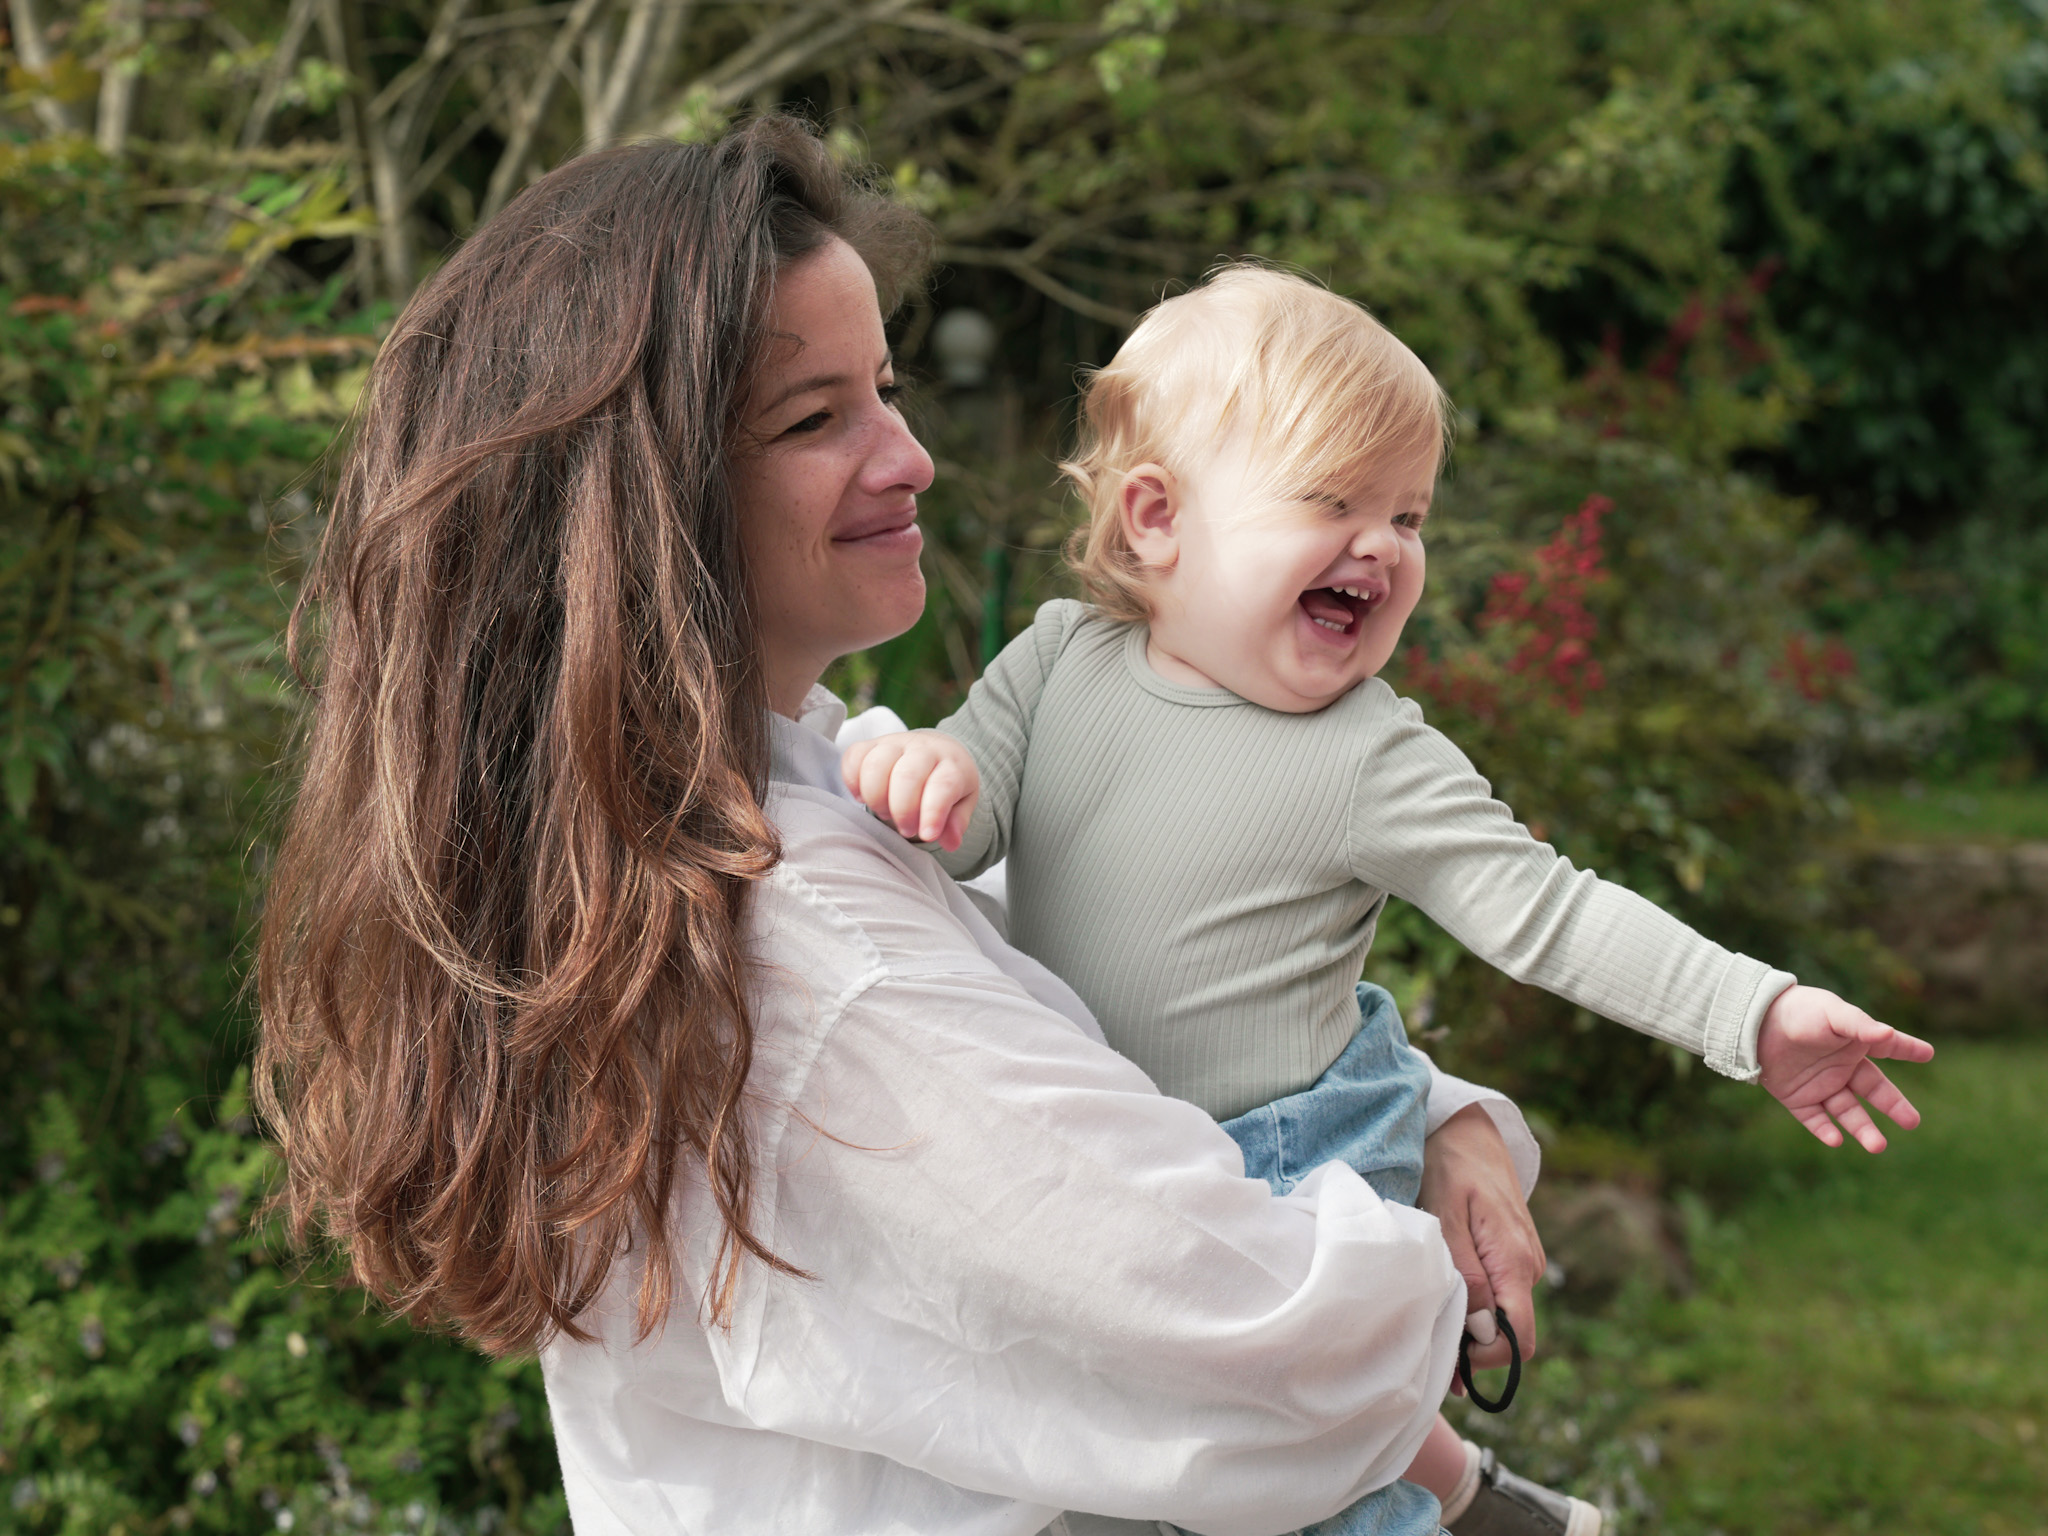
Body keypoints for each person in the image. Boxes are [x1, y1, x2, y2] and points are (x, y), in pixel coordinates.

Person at [254, 118, 1560, 1536]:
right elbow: (1284, 1345)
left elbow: (1117, 982)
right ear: (642, 502)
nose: (912, 456)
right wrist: (1419, 1247)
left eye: (884, 388)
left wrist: (1445, 1119)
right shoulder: (814, 953)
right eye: (813, 420)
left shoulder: (757, 819)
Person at [842, 264, 1937, 1535]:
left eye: (1407, 516)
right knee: (1155, 1468)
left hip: (1285, 1165)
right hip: (1114, 1166)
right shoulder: (1056, 661)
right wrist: (928, 769)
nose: (1382, 545)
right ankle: (1460, 1491)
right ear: (1155, 518)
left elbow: (1550, 913)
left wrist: (1754, 1015)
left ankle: (1421, 1492)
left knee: (1302, 1492)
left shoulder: (1368, 753)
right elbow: (967, 825)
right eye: (1331, 501)